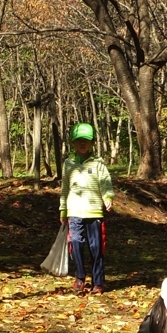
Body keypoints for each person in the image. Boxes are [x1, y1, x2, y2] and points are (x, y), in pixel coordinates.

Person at [60, 122, 113, 294]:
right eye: (79, 140)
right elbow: (65, 188)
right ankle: (80, 277)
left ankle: (98, 282)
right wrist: (63, 210)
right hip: (74, 212)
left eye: (86, 140)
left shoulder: (98, 163)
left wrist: (108, 198)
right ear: (73, 143)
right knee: (75, 243)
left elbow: (105, 183)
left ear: (92, 143)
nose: (82, 143)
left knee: (96, 248)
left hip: (94, 212)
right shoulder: (68, 163)